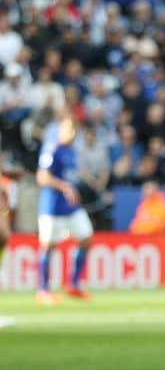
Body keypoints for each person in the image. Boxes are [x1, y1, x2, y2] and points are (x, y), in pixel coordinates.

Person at [36, 116, 94, 304]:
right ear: (61, 129)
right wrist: (65, 187)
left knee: (86, 238)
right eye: (70, 128)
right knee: (48, 246)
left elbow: (71, 177)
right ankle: (43, 290)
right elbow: (42, 177)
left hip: (71, 207)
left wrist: (76, 187)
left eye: (75, 129)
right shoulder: (52, 149)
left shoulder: (71, 151)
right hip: (52, 207)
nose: (73, 133)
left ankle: (74, 284)